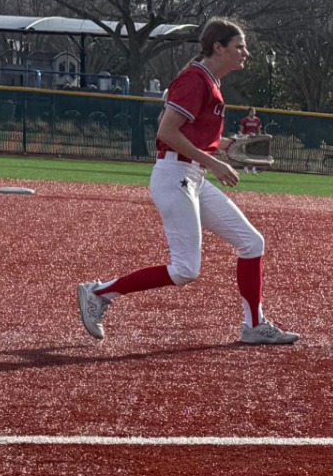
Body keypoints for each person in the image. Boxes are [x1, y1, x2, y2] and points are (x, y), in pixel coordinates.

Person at [74, 19, 298, 345]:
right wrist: (213, 161)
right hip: (174, 176)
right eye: (239, 46)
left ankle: (253, 325)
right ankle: (100, 292)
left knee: (252, 242)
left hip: (191, 176)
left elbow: (191, 135)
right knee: (185, 270)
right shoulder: (196, 79)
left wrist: (225, 146)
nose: (245, 53)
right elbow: (166, 133)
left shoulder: (209, 82)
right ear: (218, 48)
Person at [238, 107, 264, 175]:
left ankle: (253, 169)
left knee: (254, 154)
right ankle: (245, 168)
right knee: (246, 154)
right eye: (251, 111)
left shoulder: (257, 120)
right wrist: (243, 136)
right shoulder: (244, 120)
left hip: (254, 139)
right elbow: (241, 130)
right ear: (249, 112)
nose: (253, 113)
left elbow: (259, 130)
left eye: (254, 111)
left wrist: (258, 137)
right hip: (247, 138)